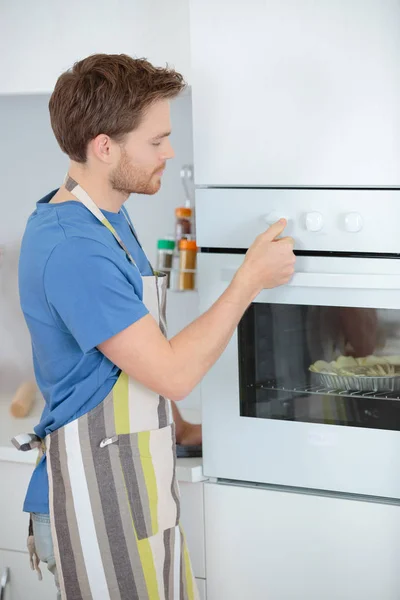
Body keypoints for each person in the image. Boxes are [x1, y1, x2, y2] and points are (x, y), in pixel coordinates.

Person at [16, 53, 295, 600]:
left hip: (133, 482)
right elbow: (169, 371)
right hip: (95, 500)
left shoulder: (107, 218)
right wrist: (249, 279)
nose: (169, 151)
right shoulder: (73, 246)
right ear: (104, 147)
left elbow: (132, 353)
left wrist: (182, 428)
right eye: (155, 141)